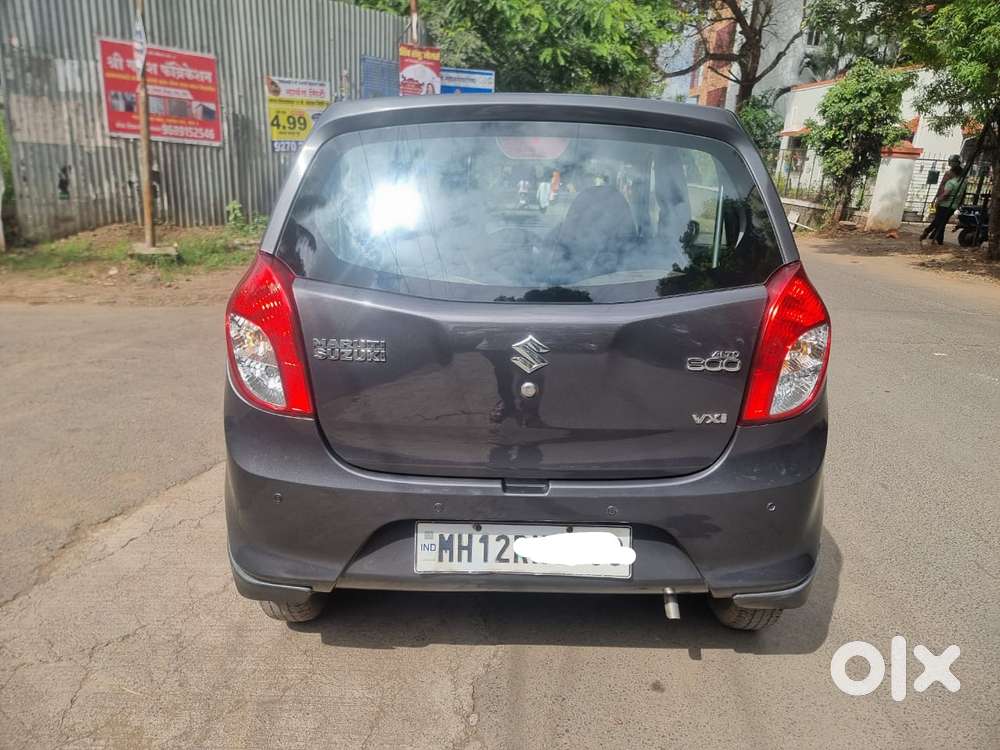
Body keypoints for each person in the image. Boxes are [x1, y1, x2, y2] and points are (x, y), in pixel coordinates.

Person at [921, 164, 966, 245]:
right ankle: (934, 237)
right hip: (953, 206)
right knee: (941, 222)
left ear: (953, 172)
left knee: (939, 221)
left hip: (944, 205)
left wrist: (938, 201)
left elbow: (946, 194)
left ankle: (931, 234)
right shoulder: (963, 183)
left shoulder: (951, 182)